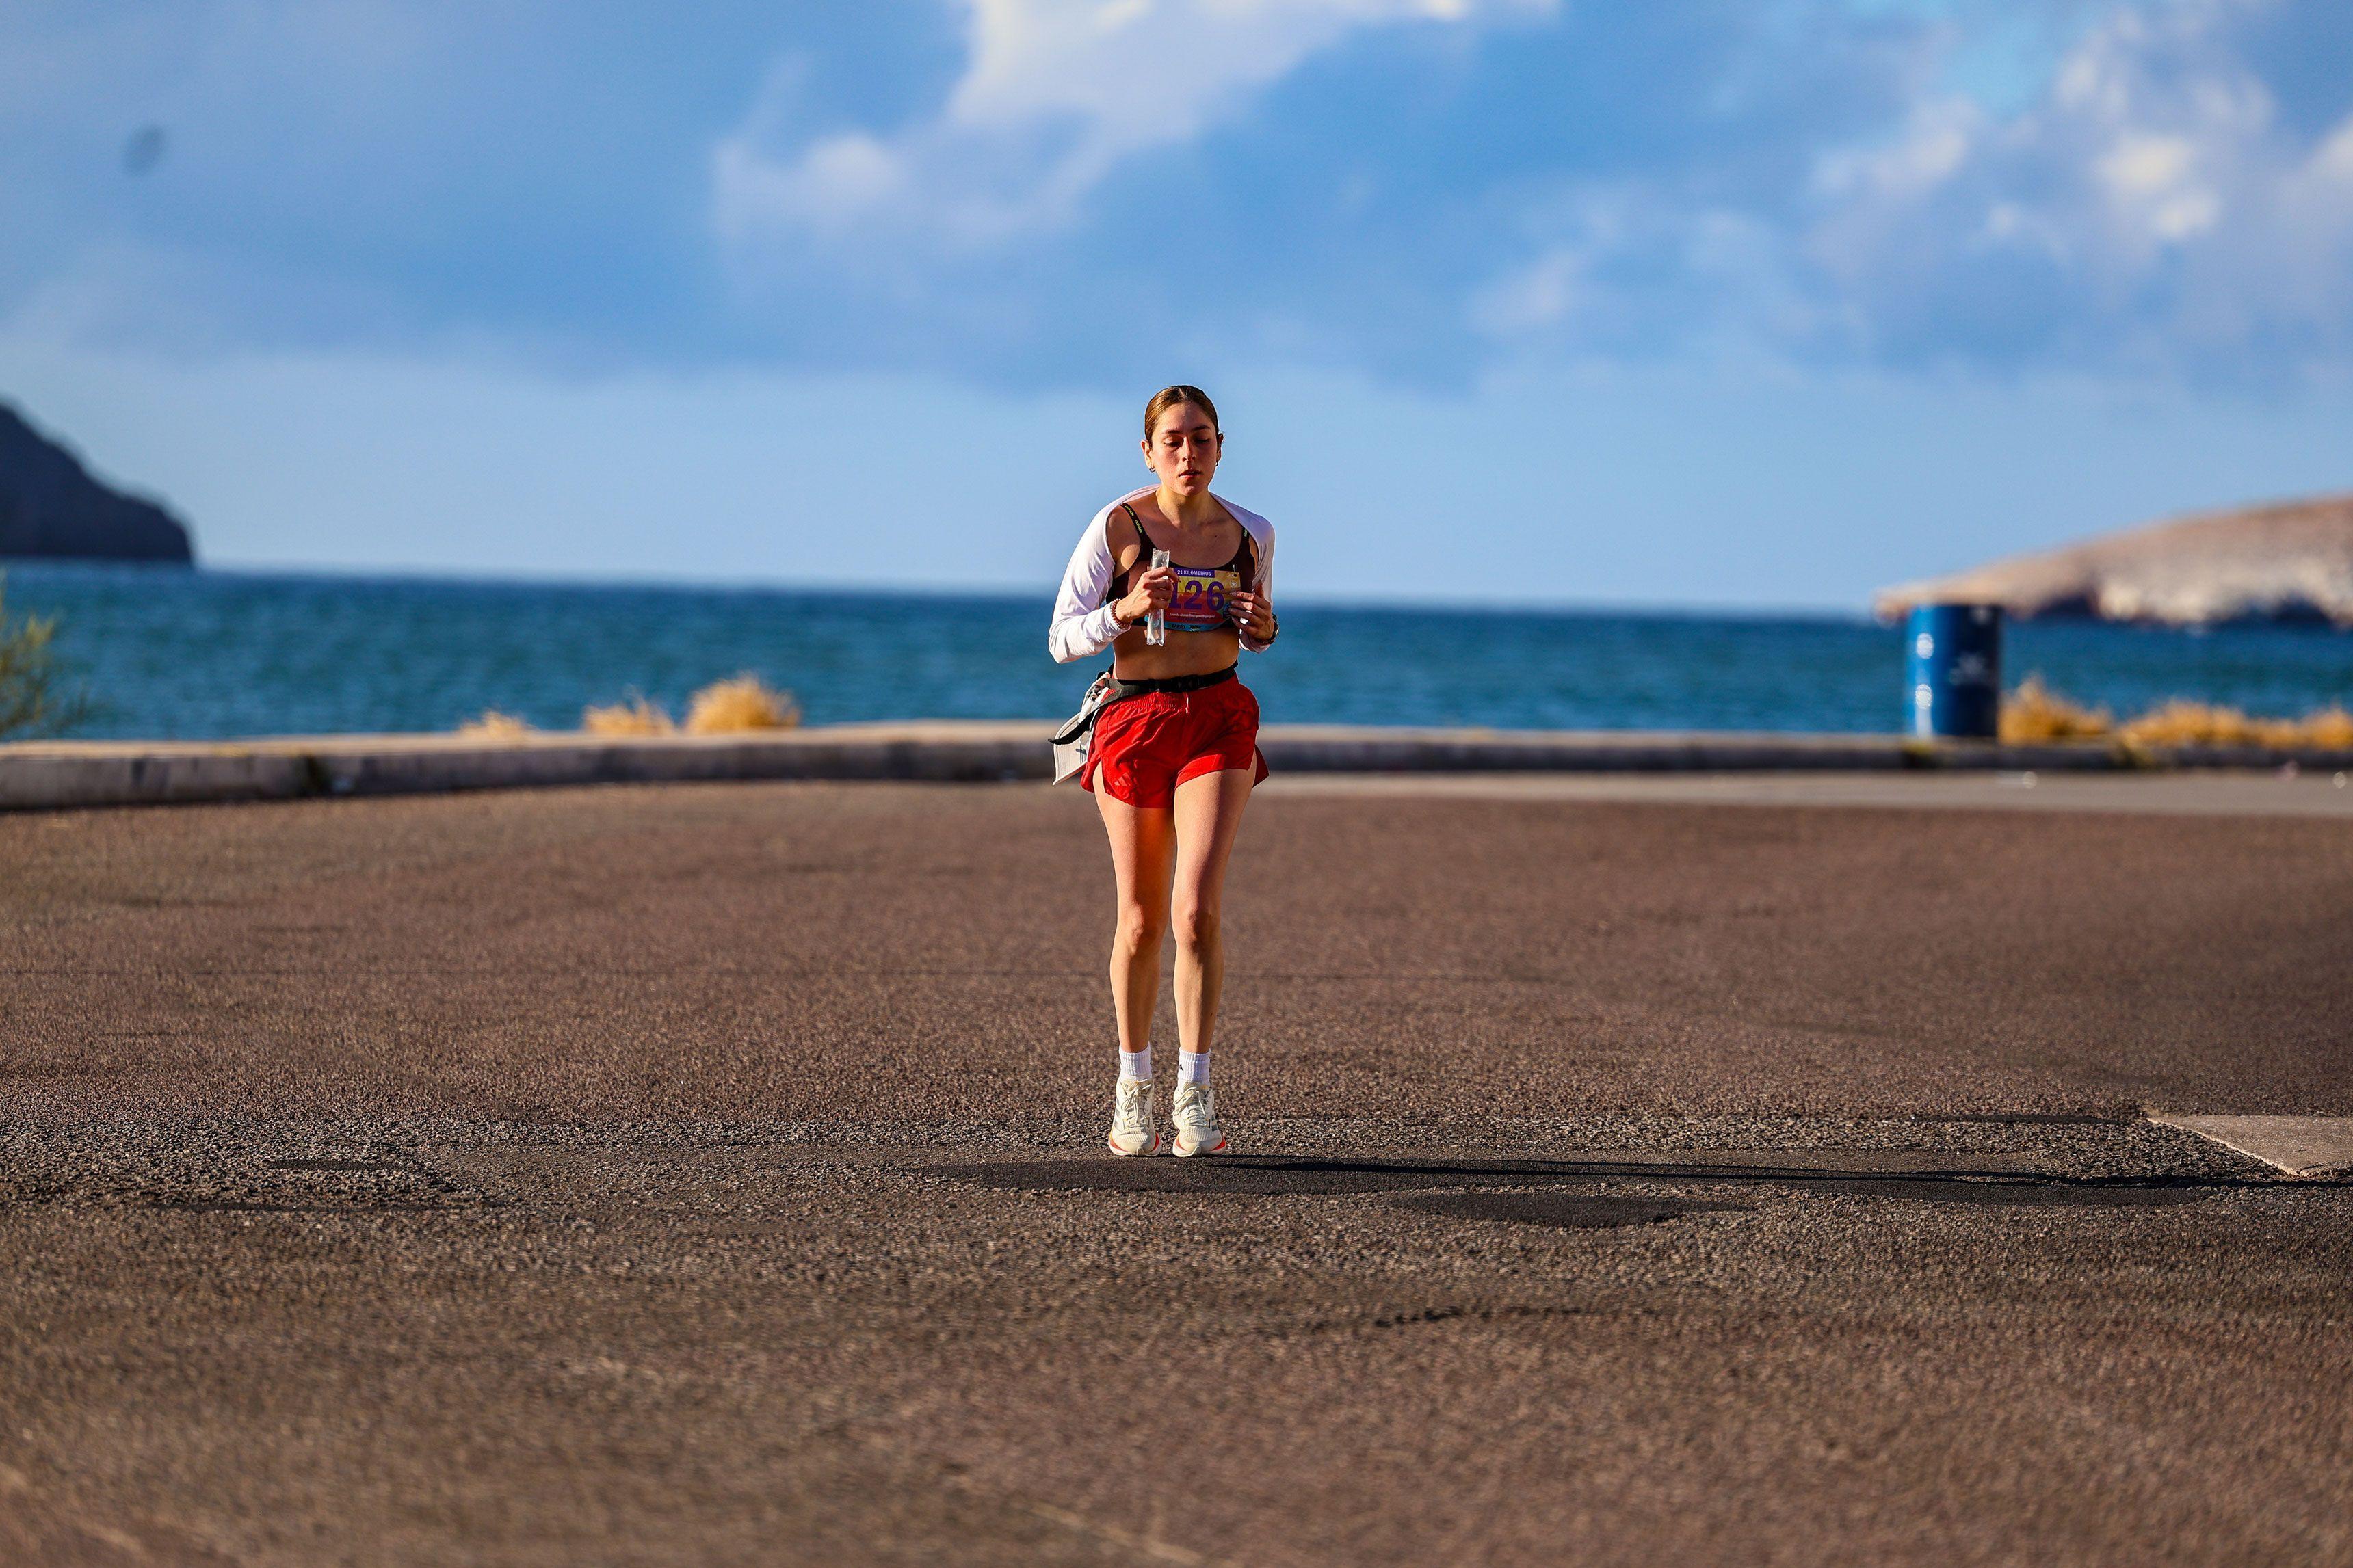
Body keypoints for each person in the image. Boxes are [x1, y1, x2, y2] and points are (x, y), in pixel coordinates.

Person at [1049, 386, 1278, 1157]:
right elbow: (1060, 637)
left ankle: (1195, 1089)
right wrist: (1120, 611)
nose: (1188, 454)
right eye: (1173, 441)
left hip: (1218, 716)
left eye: (1202, 439)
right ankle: (1131, 1083)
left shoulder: (1251, 533)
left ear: (1221, 447)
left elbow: (1258, 629)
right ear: (1148, 450)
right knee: (1141, 920)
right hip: (1135, 723)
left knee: (1194, 912)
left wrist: (1264, 626)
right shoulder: (1118, 525)